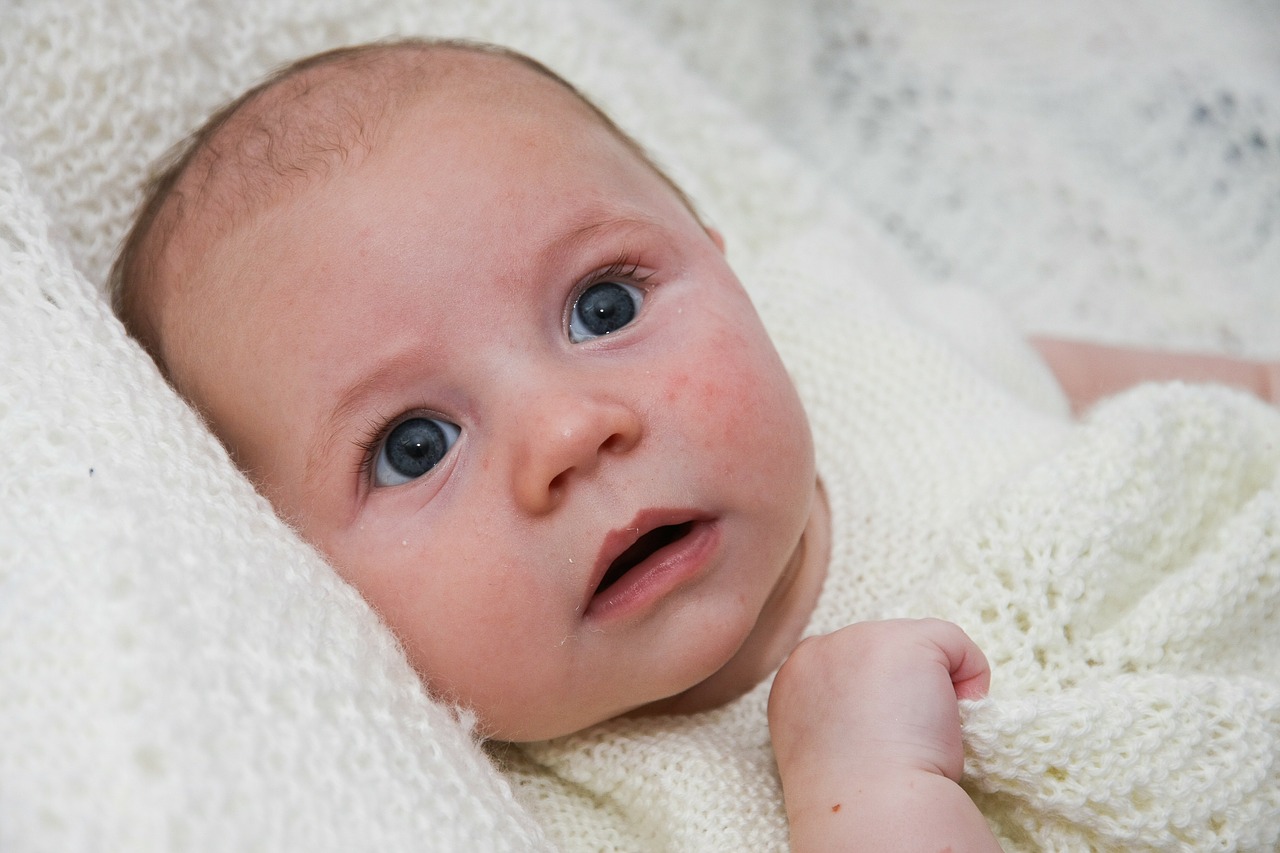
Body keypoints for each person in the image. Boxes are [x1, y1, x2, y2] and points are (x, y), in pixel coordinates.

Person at [108, 38, 1279, 851]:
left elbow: (1052, 368)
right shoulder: (586, 810)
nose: (569, 432)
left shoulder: (843, 320)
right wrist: (868, 789)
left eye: (603, 307)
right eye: (415, 445)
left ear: (728, 267)